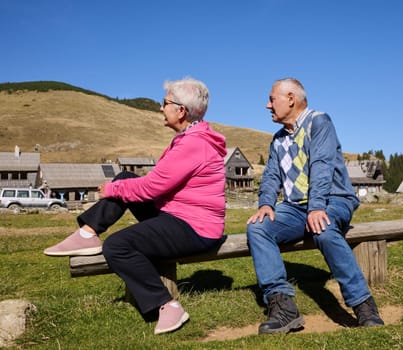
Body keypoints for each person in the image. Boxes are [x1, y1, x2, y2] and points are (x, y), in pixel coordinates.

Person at [44, 78, 227, 335]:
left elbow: (152, 188)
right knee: (127, 179)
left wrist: (110, 190)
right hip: (180, 215)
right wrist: (119, 187)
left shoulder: (193, 144)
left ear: (181, 110)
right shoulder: (190, 138)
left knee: (117, 246)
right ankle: (87, 232)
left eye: (165, 103)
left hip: (195, 227)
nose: (161, 108)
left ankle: (167, 305)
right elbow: (152, 185)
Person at [247, 78, 384, 334]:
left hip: (333, 199)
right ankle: (283, 306)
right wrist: (266, 204)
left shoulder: (319, 122)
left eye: (271, 98)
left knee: (324, 228)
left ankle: (363, 304)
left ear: (291, 98)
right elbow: (271, 176)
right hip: (295, 207)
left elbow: (321, 165)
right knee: (258, 228)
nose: (267, 105)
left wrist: (317, 207)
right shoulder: (278, 140)